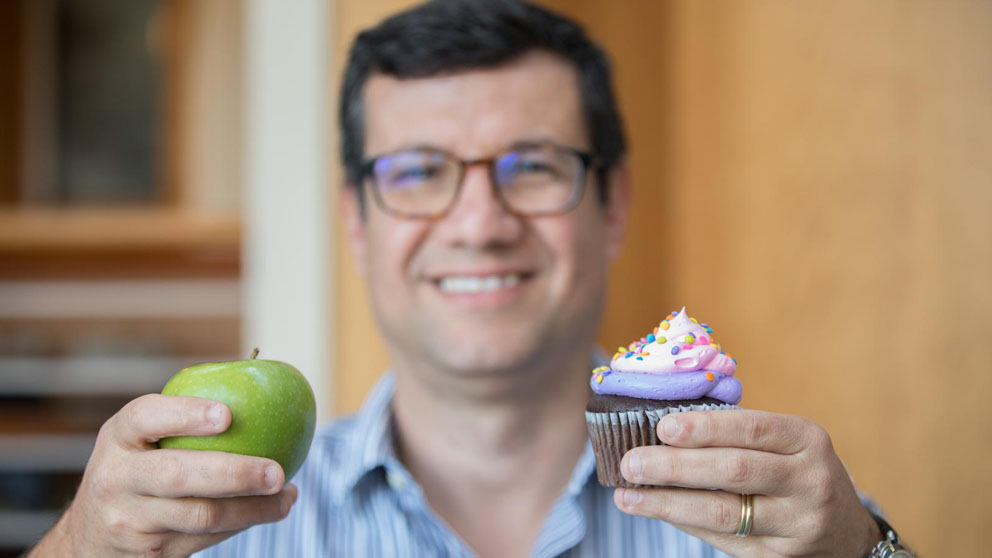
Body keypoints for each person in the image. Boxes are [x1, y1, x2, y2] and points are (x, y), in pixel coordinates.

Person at [29, 1, 906, 557]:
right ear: (356, 221)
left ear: (613, 203)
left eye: (531, 166)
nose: (480, 224)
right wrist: (81, 548)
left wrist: (869, 555)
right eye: (417, 171)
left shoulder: (780, 512)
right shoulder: (197, 525)